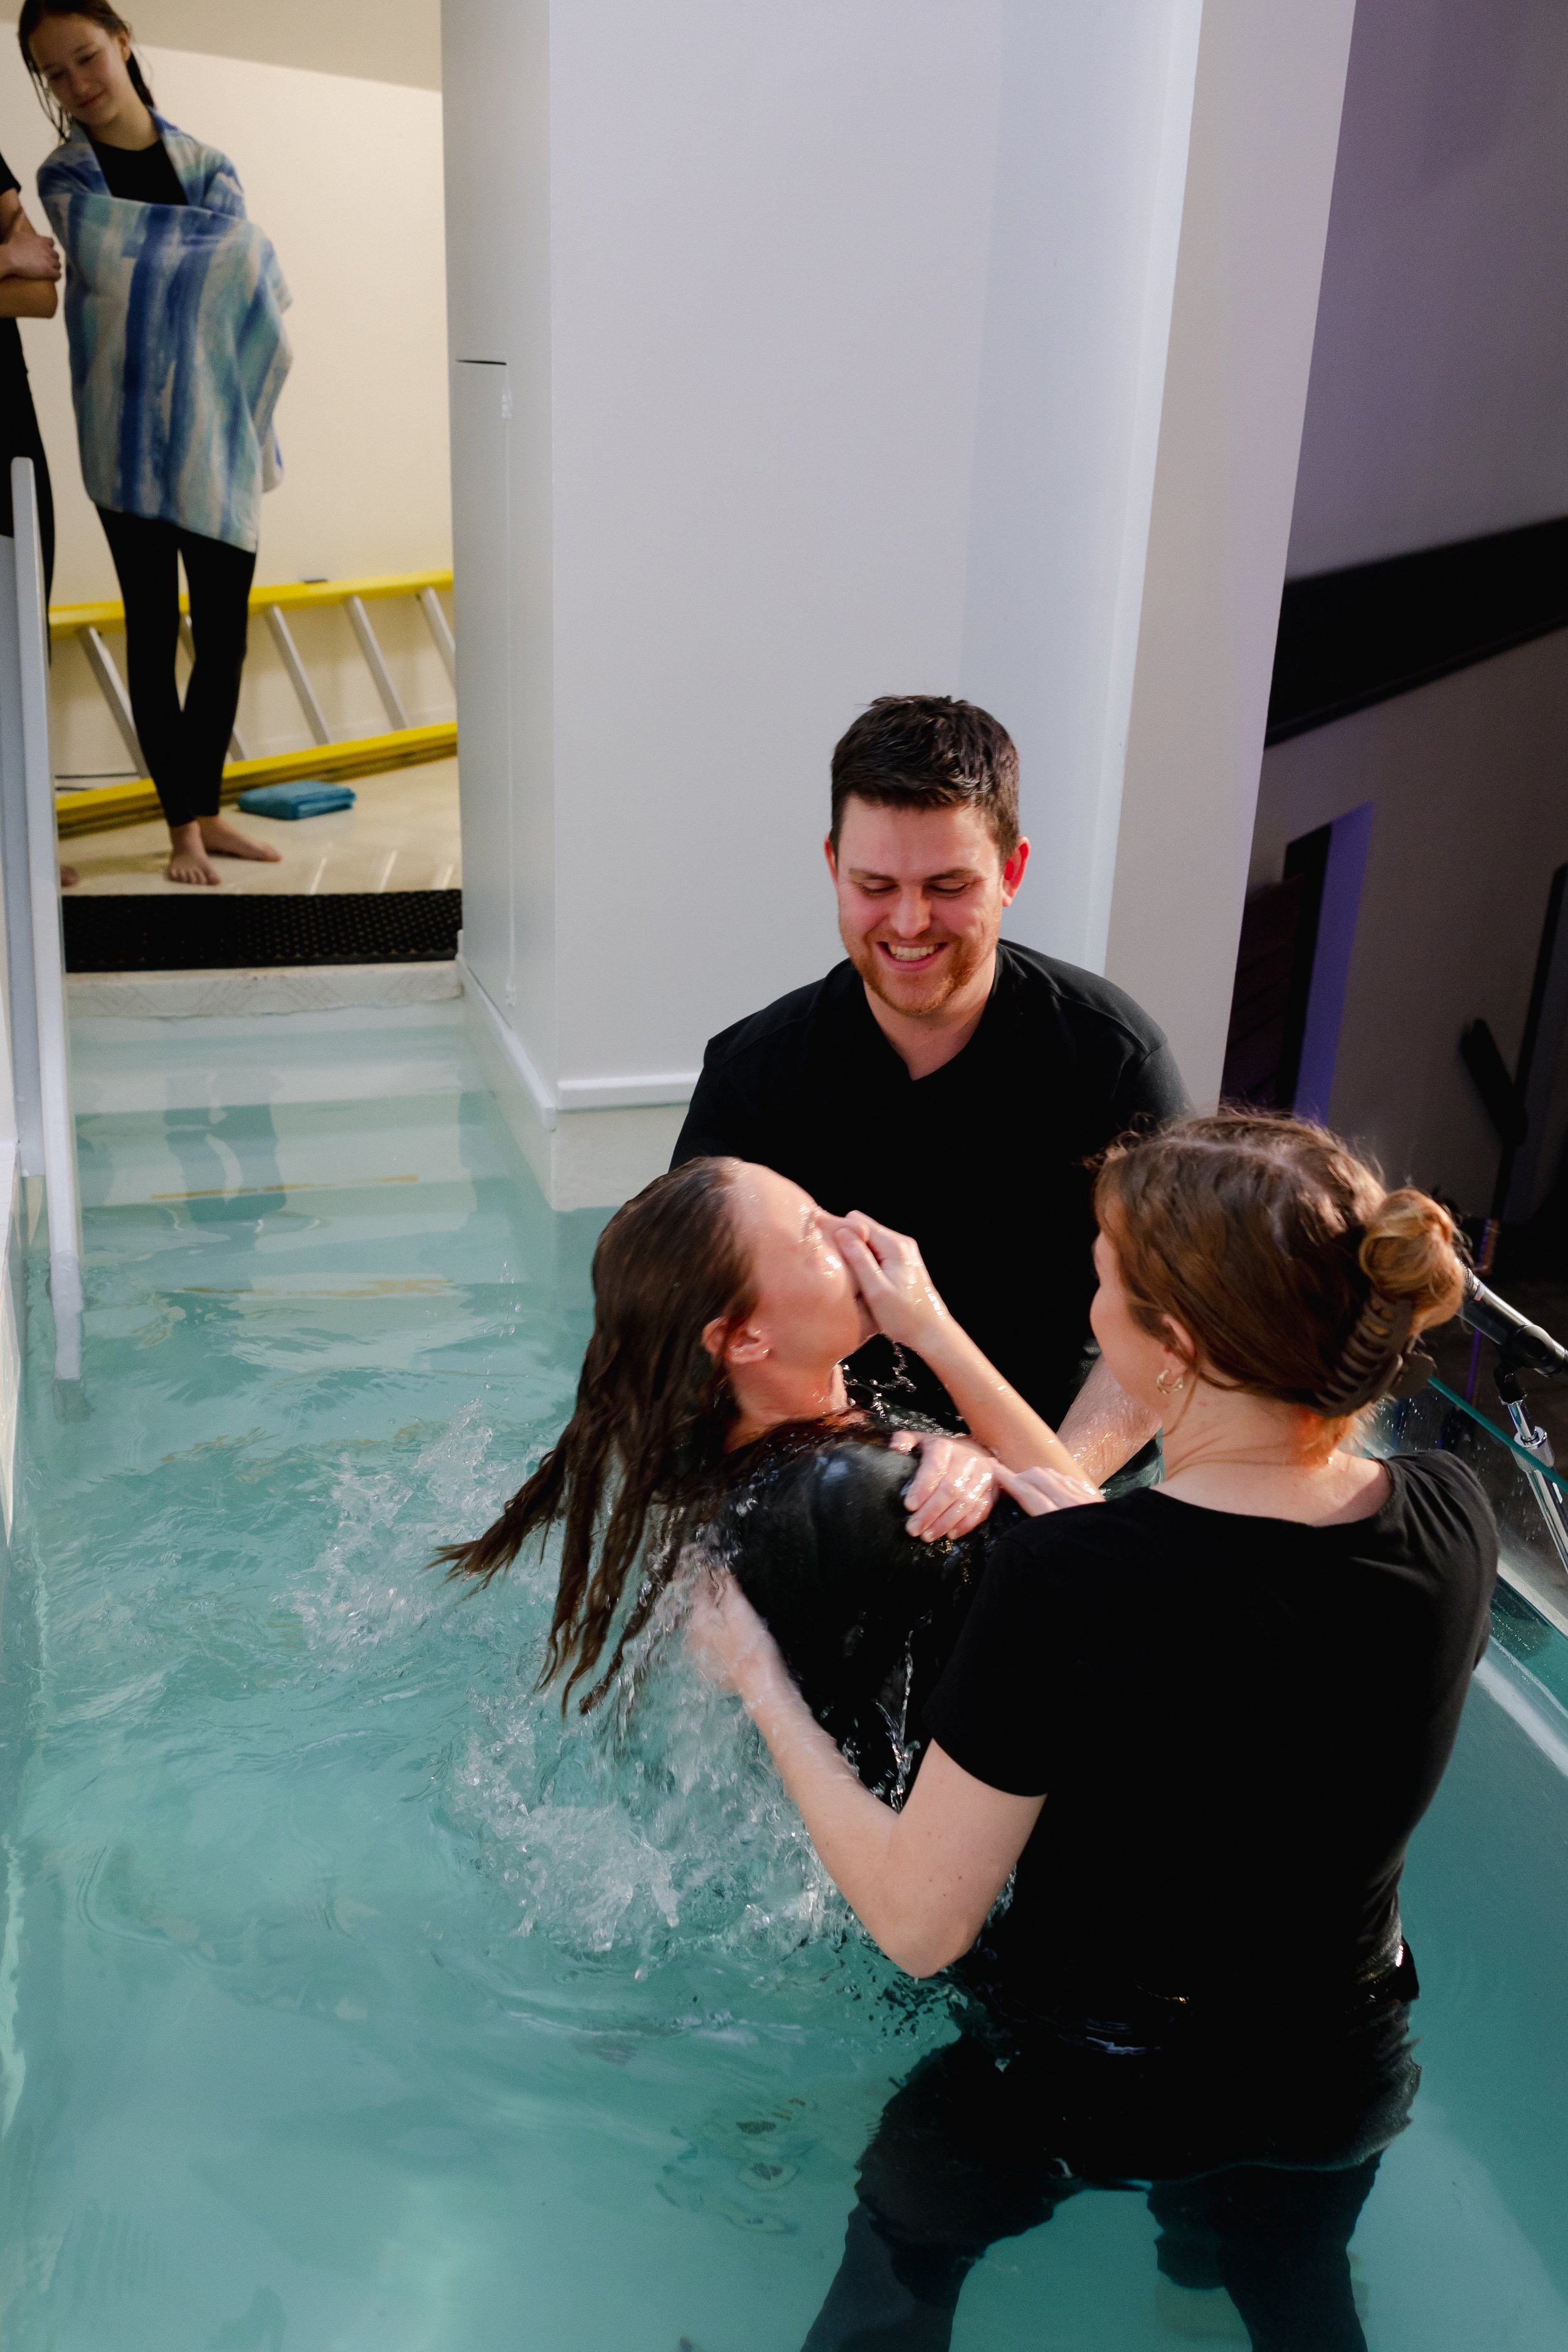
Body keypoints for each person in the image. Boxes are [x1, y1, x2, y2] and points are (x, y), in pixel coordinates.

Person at [691, 1112, 1498, 2351]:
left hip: (1087, 2079)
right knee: (1295, 2298)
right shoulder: (1450, 1516)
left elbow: (917, 1925)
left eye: (1105, 1282)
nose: (1090, 1302)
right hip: (1339, 2073)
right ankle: (1194, 2288)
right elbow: (1204, 1570)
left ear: (1175, 1345)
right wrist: (933, 1333)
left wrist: (756, 1680)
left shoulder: (1067, 1585)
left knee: (901, 2261)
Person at [436, 1155, 1089, 1794]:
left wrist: (976, 1451)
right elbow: (1106, 1567)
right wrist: (935, 1331)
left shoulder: (716, 1463)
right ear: (743, 1339)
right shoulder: (858, 1494)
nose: (854, 1227)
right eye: (812, 1232)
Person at [671, 694, 1188, 1486]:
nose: (910, 923)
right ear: (833, 868)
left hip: (1065, 1475)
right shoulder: (753, 1074)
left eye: (947, 885)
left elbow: (1171, 1325)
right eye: (875, 885)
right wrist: (862, 1470)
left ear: (1011, 873)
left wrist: (1032, 1485)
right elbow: (687, 1334)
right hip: (831, 1475)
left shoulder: (1110, 1060)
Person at [23, 1, 290, 886]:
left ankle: (207, 809)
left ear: (123, 42)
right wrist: (206, 258)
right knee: (152, 631)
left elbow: (233, 273)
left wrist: (199, 262)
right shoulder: (65, 177)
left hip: (216, 432)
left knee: (224, 638)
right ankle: (181, 829)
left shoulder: (208, 165)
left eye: (86, 57)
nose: (76, 84)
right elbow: (187, 262)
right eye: (55, 73)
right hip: (125, 438)